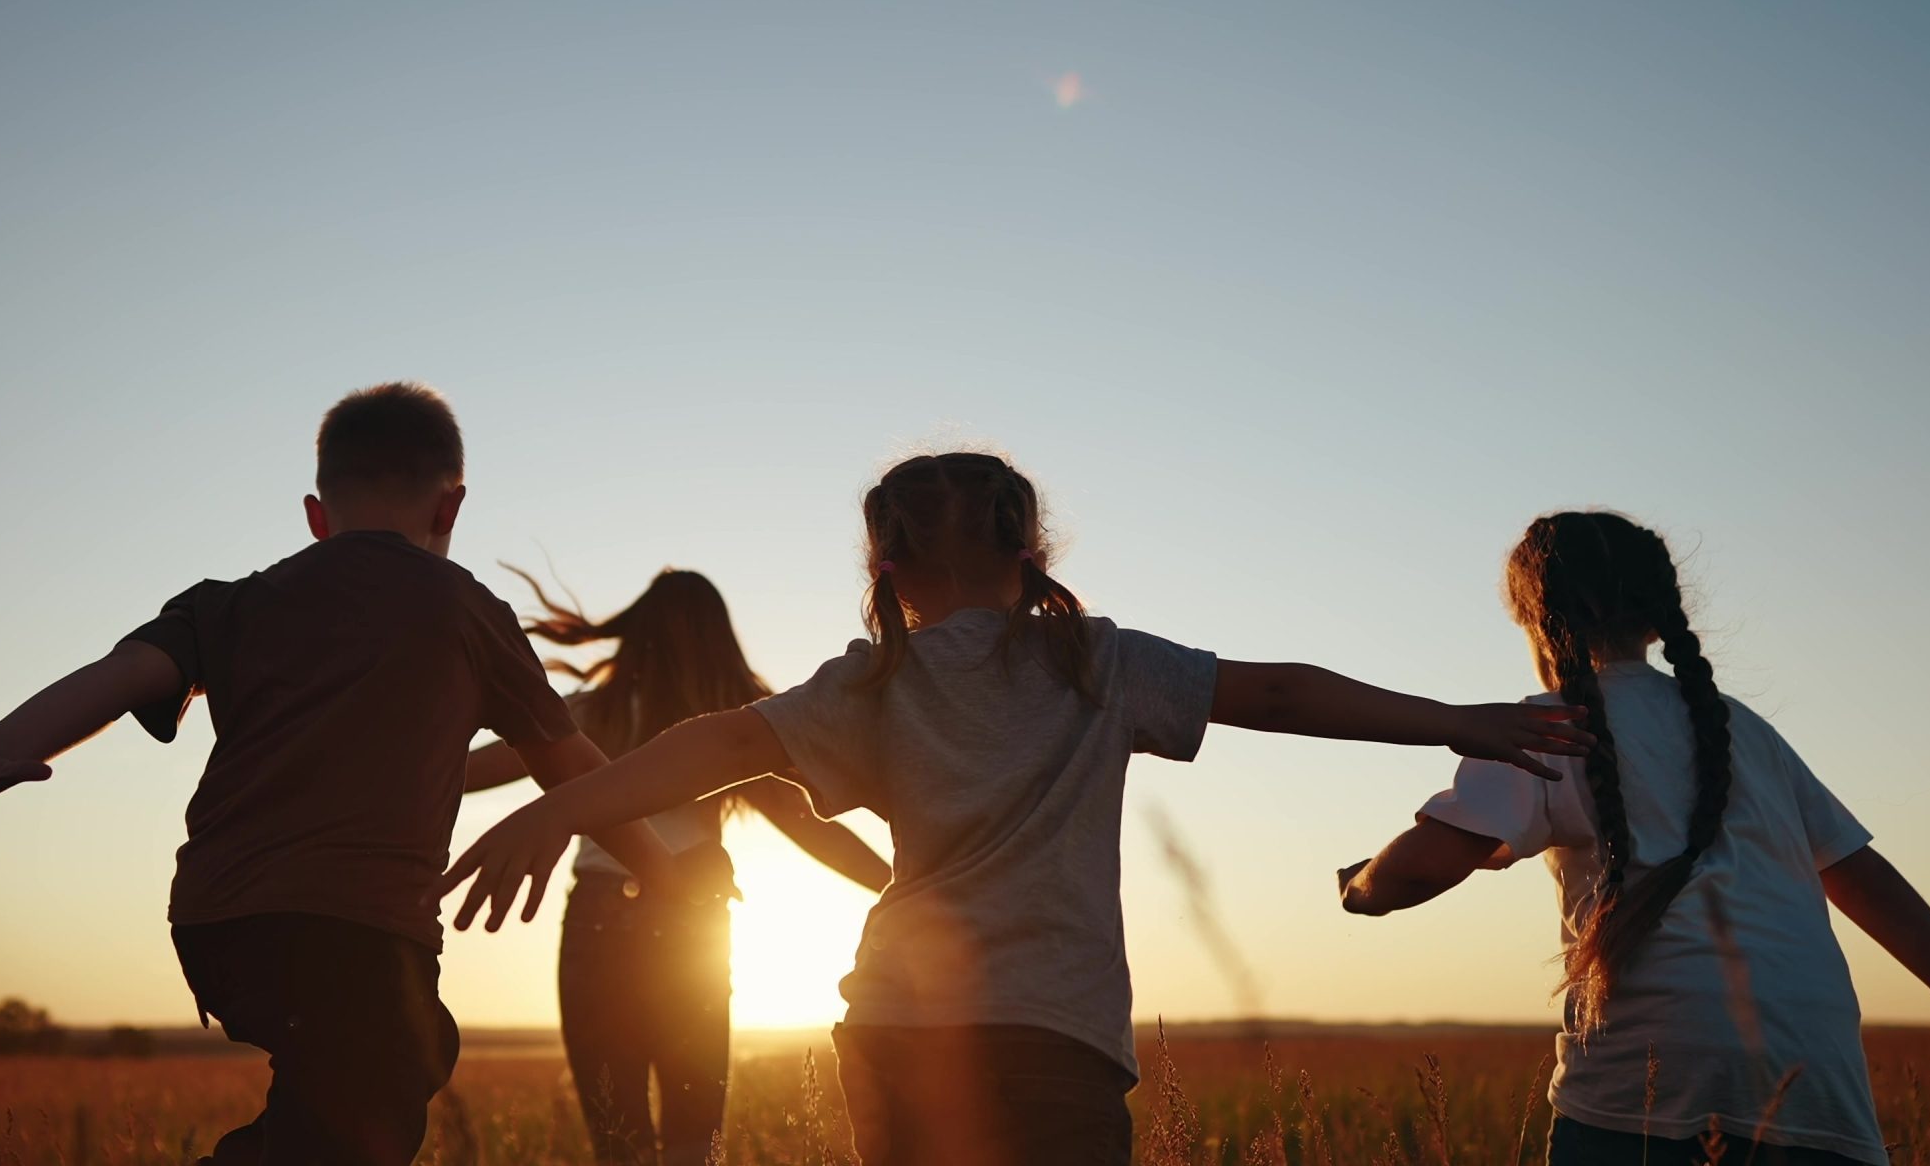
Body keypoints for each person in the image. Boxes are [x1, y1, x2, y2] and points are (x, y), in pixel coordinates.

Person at [438, 450, 1593, 1166]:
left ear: (882, 565)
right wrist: (1452, 715)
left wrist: (554, 810)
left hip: (891, 1030)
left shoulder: (868, 681)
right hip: (1050, 1034)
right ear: (1030, 546)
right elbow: (1281, 690)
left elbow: (713, 746)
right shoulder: (1095, 661)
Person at [0, 382, 678, 1166]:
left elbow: (115, 675)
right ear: (451, 504)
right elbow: (573, 770)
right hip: (358, 925)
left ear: (318, 515)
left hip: (219, 922)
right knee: (379, 1089)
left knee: (386, 1069)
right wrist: (669, 874)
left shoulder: (231, 603)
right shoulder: (467, 610)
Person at [1337, 510, 1930, 1166]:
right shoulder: (1739, 729)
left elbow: (1417, 872)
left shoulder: (1543, 725)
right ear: (1661, 615)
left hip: (1647, 1092)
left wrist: (1360, 887)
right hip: (1817, 1091)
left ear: (1537, 616)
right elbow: (1865, 879)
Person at [461, 566, 891, 1166]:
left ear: (637, 633)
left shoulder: (589, 715)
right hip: (694, 921)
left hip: (600, 921)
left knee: (619, 1142)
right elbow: (810, 829)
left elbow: (471, 772)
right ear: (719, 641)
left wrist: (383, 774)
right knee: (694, 1138)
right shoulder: (730, 730)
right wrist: (903, 884)